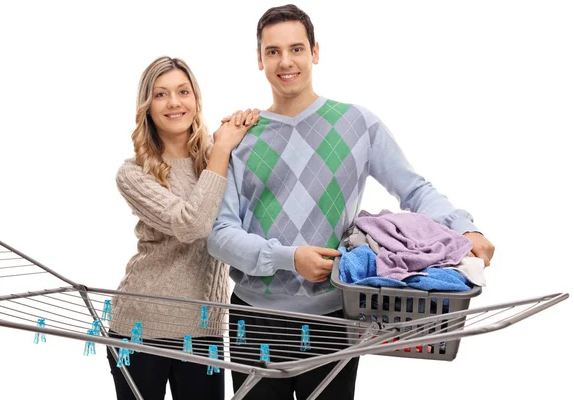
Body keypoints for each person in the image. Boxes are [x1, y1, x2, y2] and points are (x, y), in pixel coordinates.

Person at [207, 4, 496, 400]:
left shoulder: (358, 124)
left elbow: (413, 189)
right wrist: (289, 258)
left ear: (315, 52)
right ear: (259, 59)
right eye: (273, 51)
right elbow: (220, 235)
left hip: (334, 315)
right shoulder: (239, 138)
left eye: (296, 48)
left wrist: (465, 227)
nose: (285, 61)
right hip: (255, 319)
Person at [107, 56, 258, 400]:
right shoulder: (133, 174)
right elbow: (192, 224)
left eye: (182, 91)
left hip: (205, 328)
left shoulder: (219, 158)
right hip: (140, 328)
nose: (174, 102)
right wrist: (221, 149)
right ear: (147, 107)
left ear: (196, 99)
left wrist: (252, 127)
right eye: (160, 95)